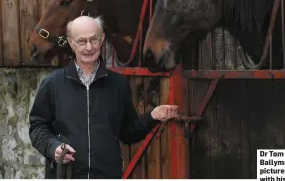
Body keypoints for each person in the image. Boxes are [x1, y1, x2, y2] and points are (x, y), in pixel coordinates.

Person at [29, 15, 179, 179]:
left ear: (102, 39)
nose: (89, 47)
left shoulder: (118, 84)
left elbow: (127, 133)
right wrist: (53, 148)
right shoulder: (52, 84)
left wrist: (153, 116)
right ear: (71, 43)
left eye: (94, 40)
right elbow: (37, 127)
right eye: (82, 41)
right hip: (65, 175)